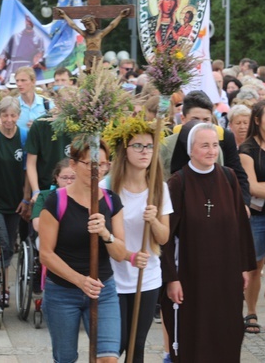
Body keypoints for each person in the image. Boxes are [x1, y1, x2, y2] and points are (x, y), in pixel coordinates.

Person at [161, 123, 255, 362]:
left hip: (226, 273)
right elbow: (165, 237)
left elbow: (240, 227)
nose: (211, 151)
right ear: (190, 149)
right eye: (204, 145)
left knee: (227, 330)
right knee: (195, 332)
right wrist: (172, 278)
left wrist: (243, 267)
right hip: (192, 276)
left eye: (215, 145)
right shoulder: (177, 183)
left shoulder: (229, 176)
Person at [38, 138, 127, 363]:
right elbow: (46, 254)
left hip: (103, 288)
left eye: (103, 164)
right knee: (65, 358)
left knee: (108, 358)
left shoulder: (111, 200)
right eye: (90, 163)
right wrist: (80, 280)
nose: (97, 169)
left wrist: (106, 235)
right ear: (74, 164)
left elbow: (120, 253)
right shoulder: (56, 200)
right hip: (63, 290)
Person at [103, 118, 172, 363]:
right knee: (118, 343)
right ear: (124, 151)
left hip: (147, 276)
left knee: (137, 345)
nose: (145, 152)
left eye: (150, 146)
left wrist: (153, 220)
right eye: (138, 146)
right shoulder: (108, 188)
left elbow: (164, 237)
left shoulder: (159, 189)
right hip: (113, 277)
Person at [238, 100, 265, 335]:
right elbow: (252, 188)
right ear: (258, 120)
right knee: (254, 266)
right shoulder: (247, 149)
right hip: (255, 216)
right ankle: (251, 312)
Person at [0, 96, 28, 303]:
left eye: (13, 115)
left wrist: (27, 198)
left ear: (18, 116)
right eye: (5, 115)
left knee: (11, 244)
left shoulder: (24, 136)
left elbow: (29, 170)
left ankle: (1, 280)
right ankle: (2, 287)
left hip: (16, 200)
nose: (9, 119)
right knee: (3, 243)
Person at [0, 15, 46, 83]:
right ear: (25, 22)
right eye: (27, 21)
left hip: (30, 67)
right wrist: (1, 60)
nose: (28, 23)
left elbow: (41, 54)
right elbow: (4, 53)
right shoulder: (15, 36)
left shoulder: (39, 38)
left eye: (30, 21)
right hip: (13, 67)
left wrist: (38, 62)